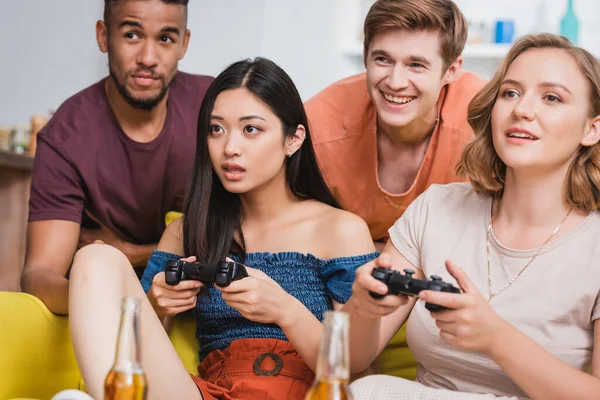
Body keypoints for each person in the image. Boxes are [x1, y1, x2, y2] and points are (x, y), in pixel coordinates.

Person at [67, 58, 378, 400]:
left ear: (293, 139)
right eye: (217, 129)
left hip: (300, 392)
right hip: (208, 392)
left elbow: (355, 367)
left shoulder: (341, 230)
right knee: (94, 258)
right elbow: (138, 351)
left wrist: (283, 309)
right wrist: (157, 305)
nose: (230, 148)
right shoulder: (189, 230)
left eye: (251, 129)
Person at [346, 33, 600, 399]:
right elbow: (354, 360)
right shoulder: (437, 208)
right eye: (510, 93)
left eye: (551, 98)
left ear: (592, 129)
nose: (522, 110)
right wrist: (364, 306)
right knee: (366, 389)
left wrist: (495, 337)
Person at [304, 0, 486, 377]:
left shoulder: (485, 127)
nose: (396, 82)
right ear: (366, 57)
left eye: (416, 64)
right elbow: (282, 226)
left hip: (446, 286)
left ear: (452, 69)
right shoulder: (319, 124)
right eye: (383, 59)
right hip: (340, 282)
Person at [21, 0, 213, 315]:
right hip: (100, 311)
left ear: (184, 44)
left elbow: (254, 239)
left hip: (200, 304)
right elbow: (39, 275)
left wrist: (133, 254)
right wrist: (109, 295)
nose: (148, 59)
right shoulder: (66, 137)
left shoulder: (215, 109)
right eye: (132, 35)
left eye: (165, 38)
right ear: (103, 36)